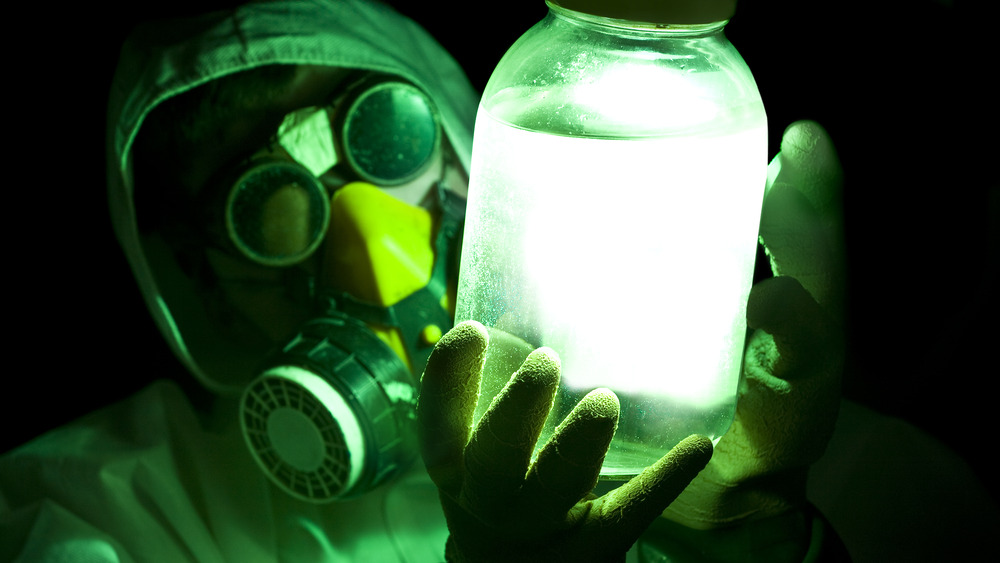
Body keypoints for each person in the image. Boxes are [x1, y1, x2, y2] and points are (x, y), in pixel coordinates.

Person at [3, 0, 996, 561]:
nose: (365, 242)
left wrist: (752, 542)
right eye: (269, 208)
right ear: (193, 277)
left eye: (384, 136)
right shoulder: (112, 510)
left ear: (464, 141)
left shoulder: (810, 455)